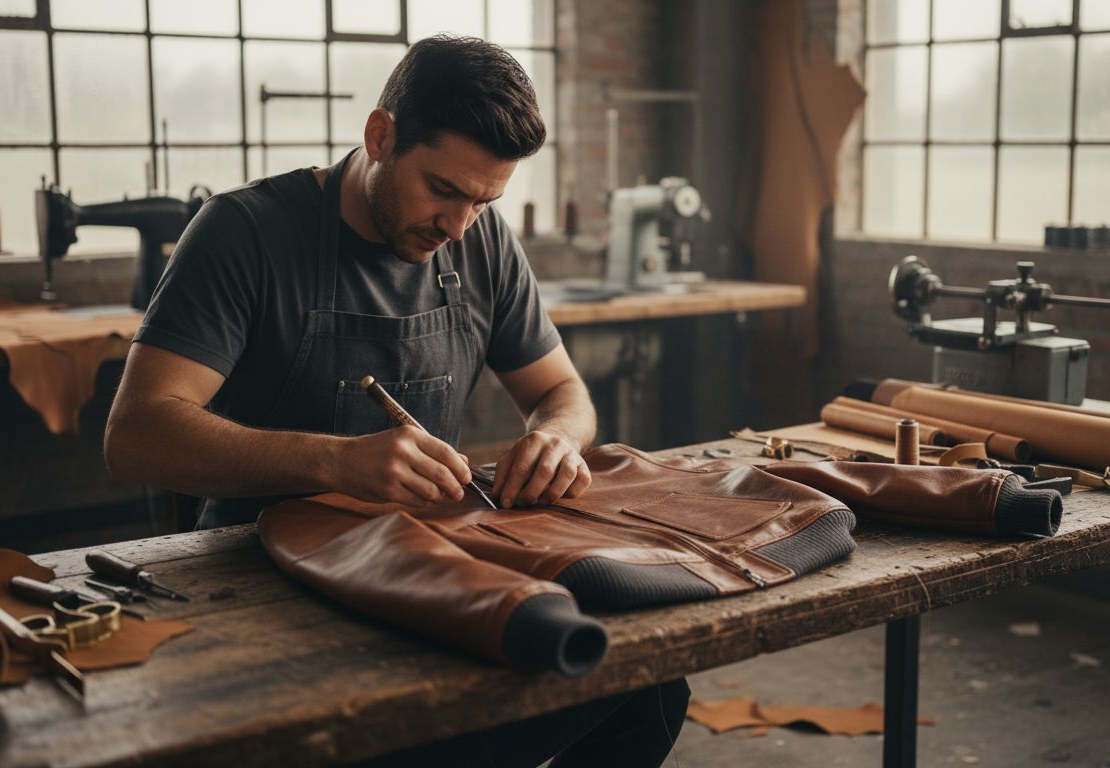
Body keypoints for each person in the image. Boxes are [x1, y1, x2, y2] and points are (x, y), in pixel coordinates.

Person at [104, 34, 687, 767]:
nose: (458, 226)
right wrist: (335, 462)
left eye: (485, 199)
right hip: (263, 572)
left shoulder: (481, 243)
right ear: (381, 136)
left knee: (647, 685)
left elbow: (561, 392)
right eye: (443, 190)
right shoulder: (243, 232)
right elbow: (136, 434)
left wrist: (557, 438)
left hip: (421, 564)